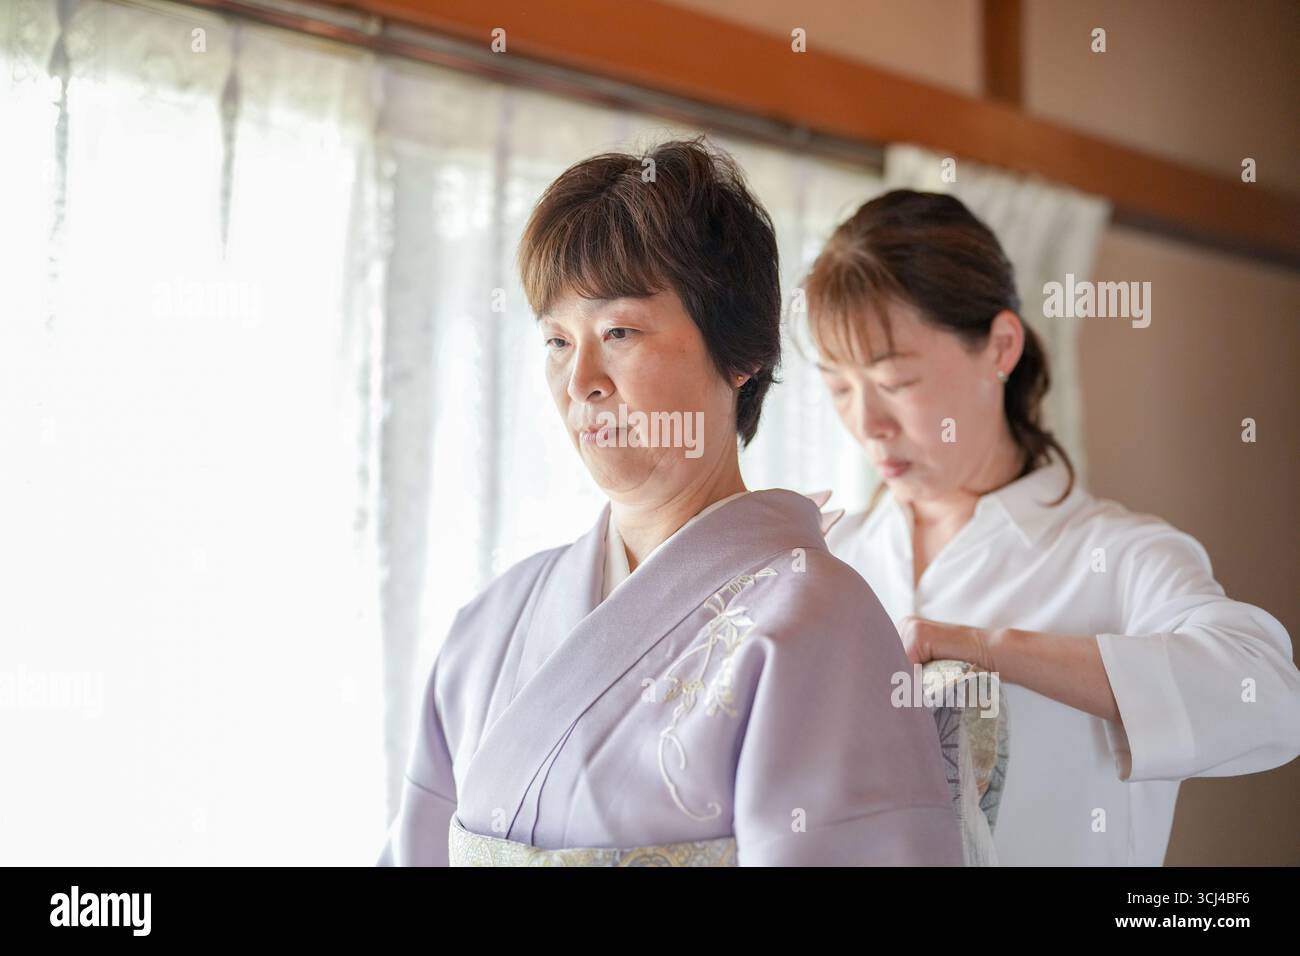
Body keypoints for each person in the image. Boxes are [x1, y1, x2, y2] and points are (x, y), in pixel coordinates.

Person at [377, 141, 962, 866]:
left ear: (741, 355)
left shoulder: (818, 622)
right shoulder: (489, 626)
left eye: (619, 331)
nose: (580, 380)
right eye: (558, 341)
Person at [806, 188, 1300, 865]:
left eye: (895, 382)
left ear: (1000, 347)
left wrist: (990, 648)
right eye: (838, 387)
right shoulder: (831, 556)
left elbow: (1269, 696)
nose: (866, 423)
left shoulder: (1118, 554)